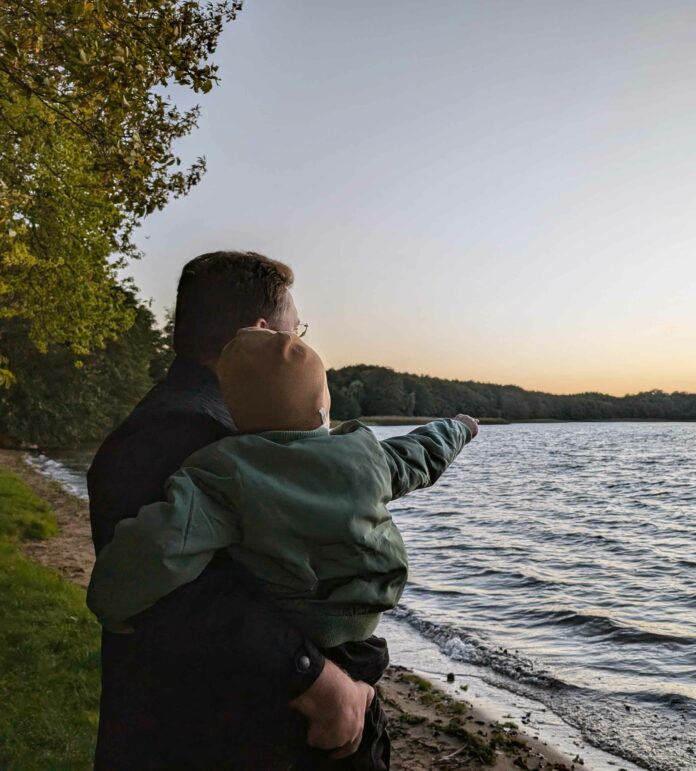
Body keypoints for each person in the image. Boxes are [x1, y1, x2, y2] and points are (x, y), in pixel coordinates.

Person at [88, 327, 478, 768]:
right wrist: (459, 427)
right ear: (322, 406)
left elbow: (161, 545)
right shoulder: (363, 455)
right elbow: (419, 454)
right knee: (361, 742)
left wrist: (113, 605)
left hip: (294, 643)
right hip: (358, 645)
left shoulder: (224, 471)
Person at [87, 252, 375, 769]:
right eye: (297, 329)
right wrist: (317, 680)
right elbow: (175, 597)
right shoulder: (180, 433)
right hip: (220, 737)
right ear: (261, 333)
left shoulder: (210, 425)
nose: (302, 340)